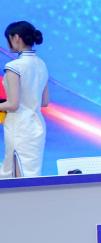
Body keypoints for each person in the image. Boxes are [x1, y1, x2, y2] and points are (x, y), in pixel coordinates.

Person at [1, 21, 50, 178]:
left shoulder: (14, 66)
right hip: (37, 126)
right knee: (31, 173)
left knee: (17, 176)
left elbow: (13, 104)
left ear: (16, 38)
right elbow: (45, 101)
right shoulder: (41, 64)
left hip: (19, 127)